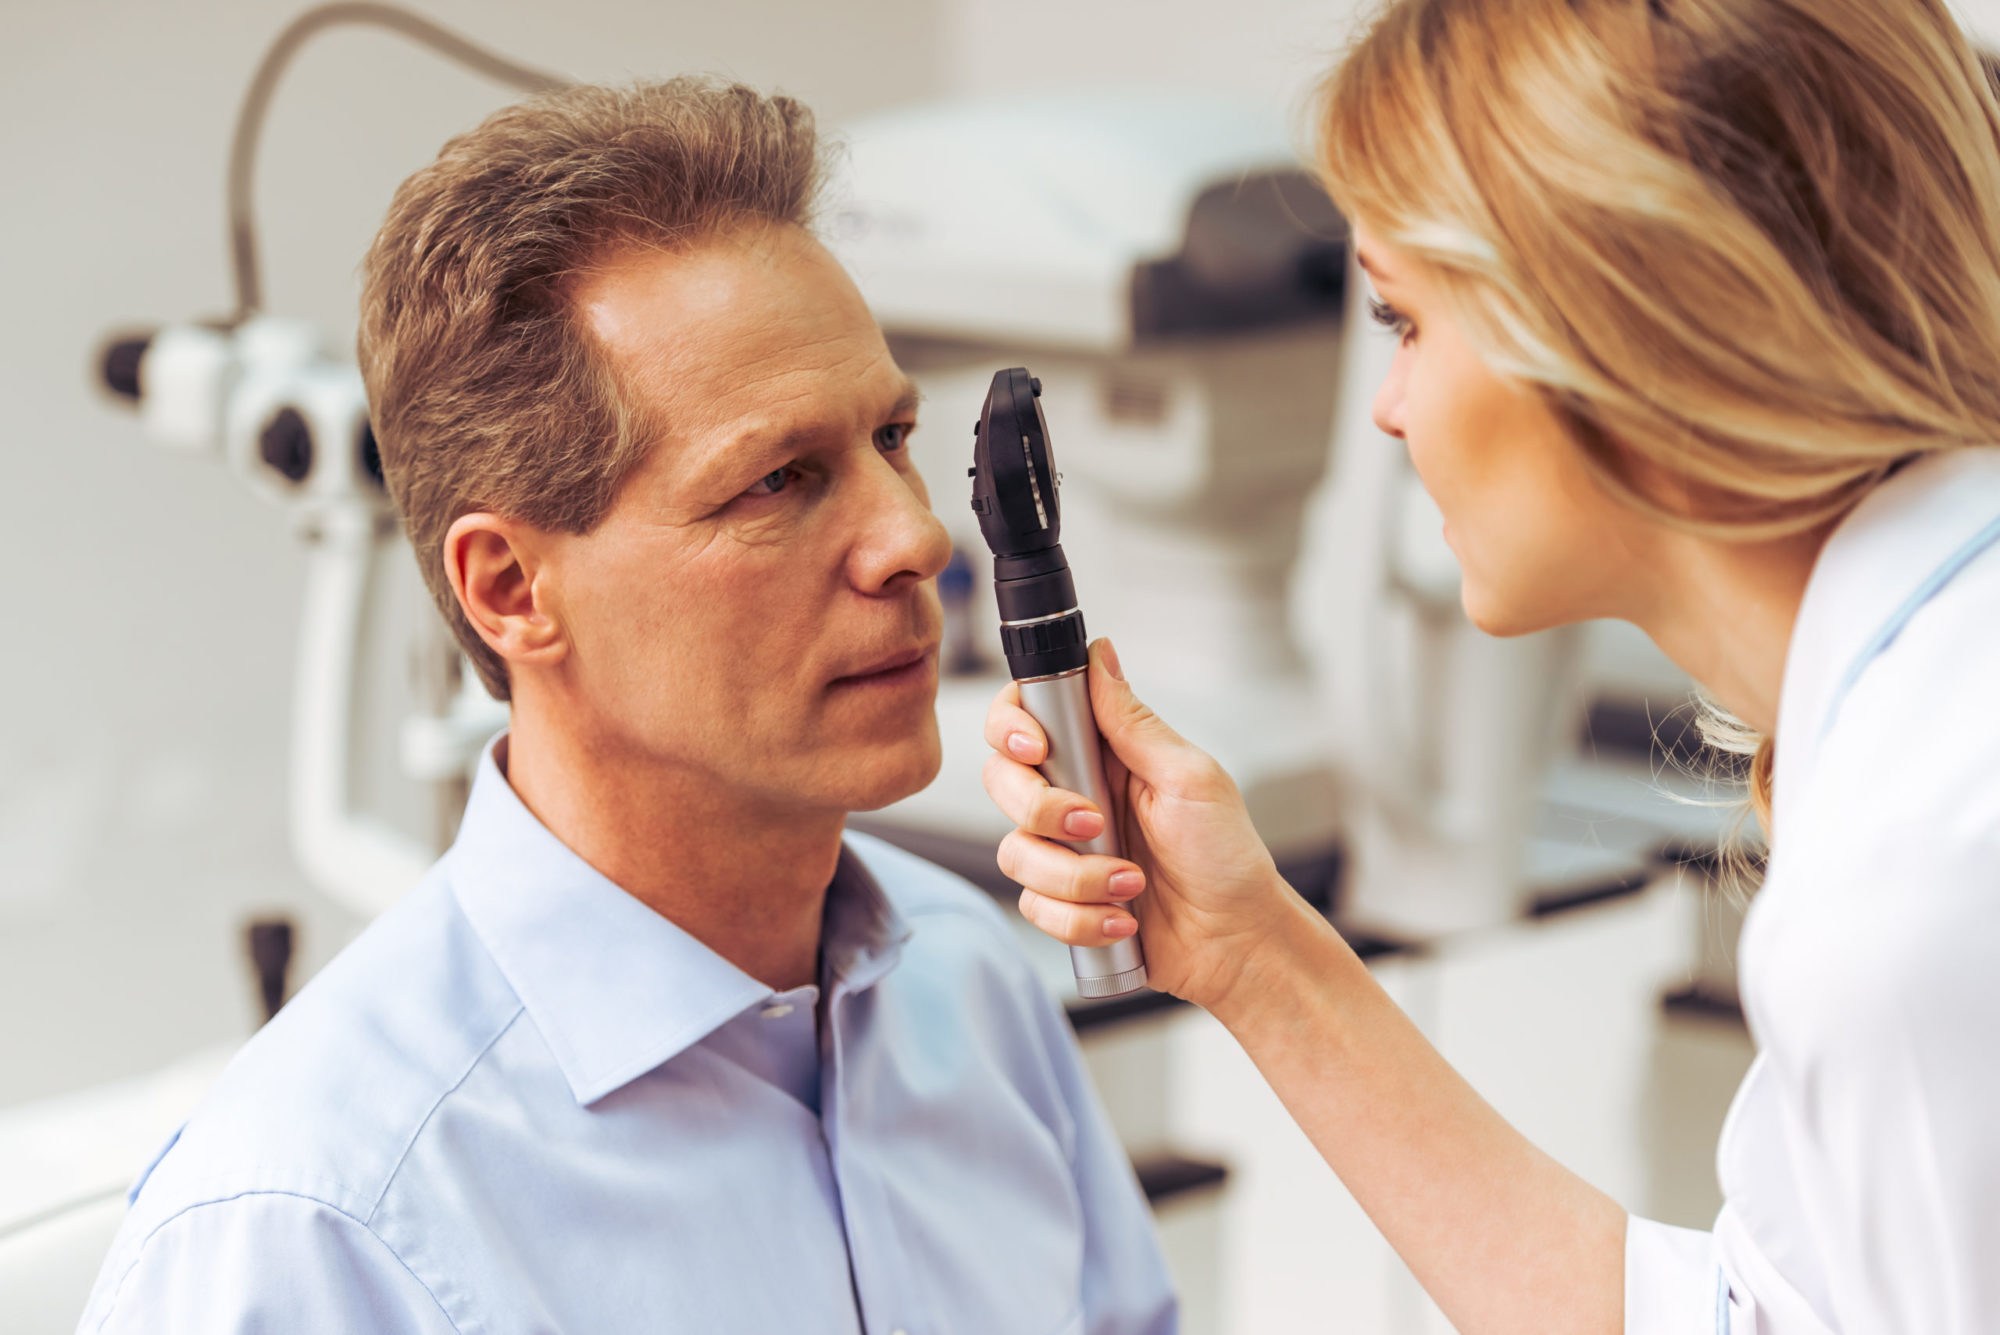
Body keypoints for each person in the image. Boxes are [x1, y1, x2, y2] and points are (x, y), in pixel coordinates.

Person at [77, 79, 1174, 1335]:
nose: (913, 538)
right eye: (776, 481)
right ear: (509, 590)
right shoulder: (315, 1229)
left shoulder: (967, 979)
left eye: (891, 437)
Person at [981, 1, 2000, 1331]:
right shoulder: (1915, 729)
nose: (1389, 409)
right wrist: (1253, 951)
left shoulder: (1914, 884)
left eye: (1404, 321)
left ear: (1617, 325)